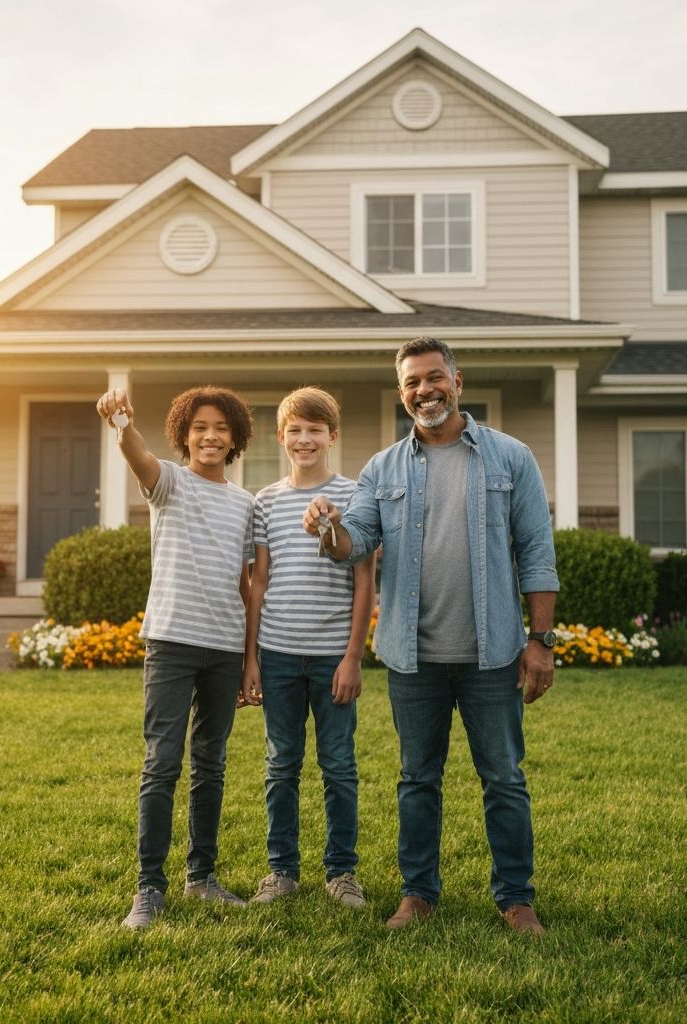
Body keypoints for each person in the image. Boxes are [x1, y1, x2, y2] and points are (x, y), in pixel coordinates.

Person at [303, 337, 559, 935]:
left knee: (504, 777)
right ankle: (418, 894)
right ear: (402, 394)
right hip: (412, 657)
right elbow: (354, 544)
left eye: (434, 377)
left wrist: (542, 640)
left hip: (492, 653)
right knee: (418, 778)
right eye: (413, 382)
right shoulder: (382, 468)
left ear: (457, 380)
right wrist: (329, 528)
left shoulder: (510, 456)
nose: (426, 389)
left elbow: (537, 552)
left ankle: (516, 898)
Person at [97, 384, 255, 930]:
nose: (210, 436)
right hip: (170, 641)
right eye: (200, 428)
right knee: (163, 762)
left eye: (220, 428)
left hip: (224, 646)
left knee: (210, 763)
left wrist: (248, 657)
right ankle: (149, 888)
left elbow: (245, 582)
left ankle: (202, 877)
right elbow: (136, 456)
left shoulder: (245, 504)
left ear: (234, 439)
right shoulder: (168, 482)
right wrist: (121, 423)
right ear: (184, 435)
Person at [240, 388, 376, 909]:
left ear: (332, 437)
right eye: (295, 430)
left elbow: (365, 582)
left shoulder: (355, 495)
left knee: (338, 764)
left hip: (331, 656)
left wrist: (352, 656)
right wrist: (250, 657)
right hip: (276, 653)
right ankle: (282, 871)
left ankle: (341, 872)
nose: (305, 439)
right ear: (281, 437)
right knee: (281, 764)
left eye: (315, 430)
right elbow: (259, 581)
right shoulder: (266, 501)